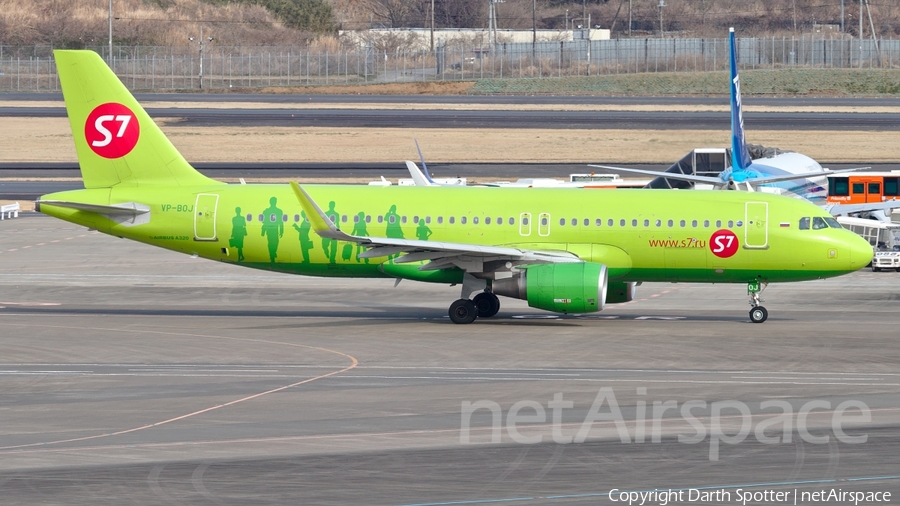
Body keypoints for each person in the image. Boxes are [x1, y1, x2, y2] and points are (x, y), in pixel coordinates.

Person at [260, 197, 283, 263]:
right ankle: (272, 255)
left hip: (274, 230)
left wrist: (281, 231)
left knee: (275, 242)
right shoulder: (267, 211)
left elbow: (281, 222)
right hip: (270, 230)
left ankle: (273, 252)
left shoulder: (278, 211)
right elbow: (264, 222)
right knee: (271, 243)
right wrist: (263, 231)